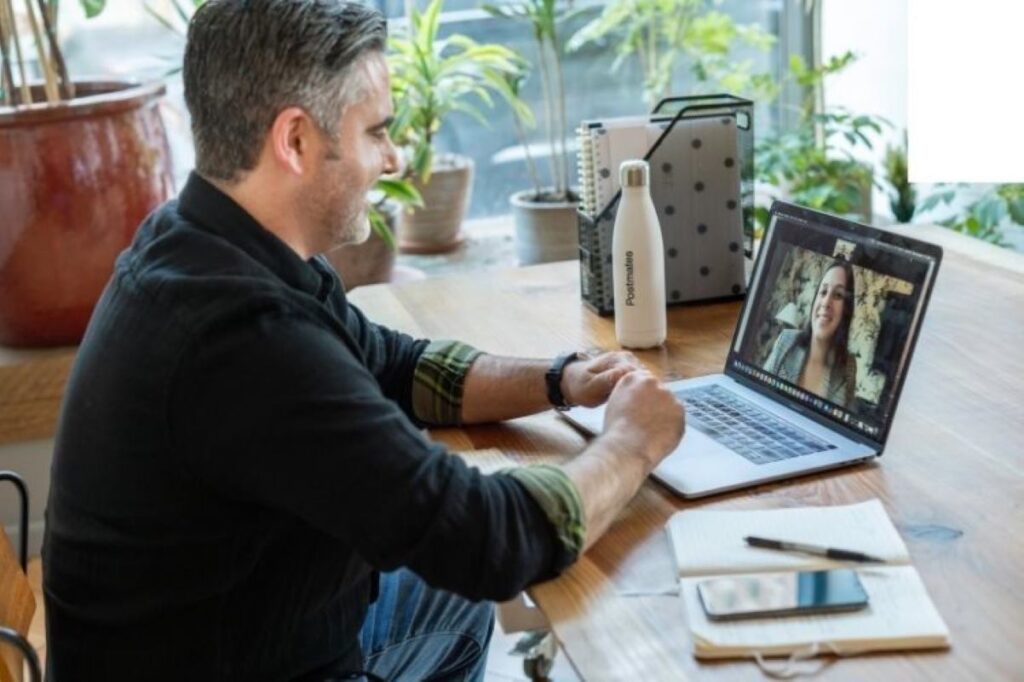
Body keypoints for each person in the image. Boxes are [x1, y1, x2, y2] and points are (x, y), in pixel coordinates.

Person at [41, 1, 685, 680]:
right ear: (295, 141)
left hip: (240, 631)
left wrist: (560, 378)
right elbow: (490, 540)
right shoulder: (242, 340)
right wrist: (633, 443)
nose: (393, 157)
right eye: (377, 131)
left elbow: (397, 366)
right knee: (484, 571)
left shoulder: (206, 241)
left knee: (448, 591)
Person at [764, 258, 858, 407]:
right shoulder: (786, 340)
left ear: (846, 310)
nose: (826, 302)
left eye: (838, 295)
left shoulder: (849, 366)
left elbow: (845, 421)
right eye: (823, 292)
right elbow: (758, 391)